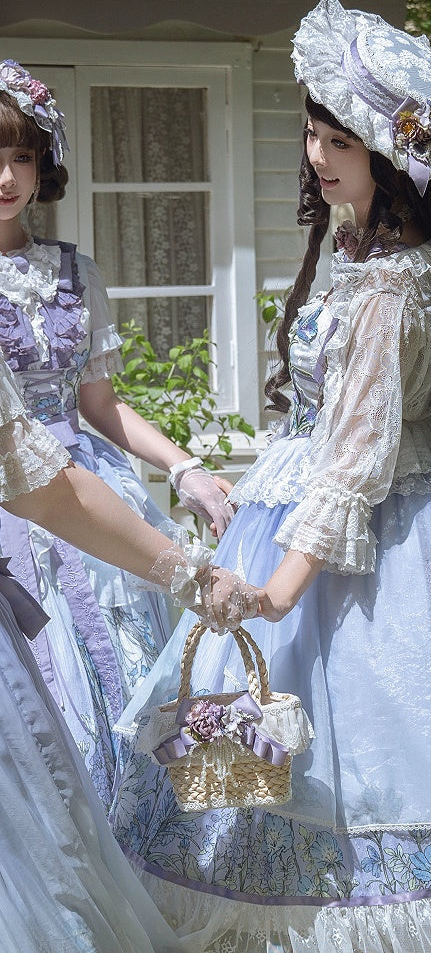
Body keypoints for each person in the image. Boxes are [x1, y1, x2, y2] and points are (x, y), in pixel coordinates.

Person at [110, 0, 431, 953]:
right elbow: (325, 432)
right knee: (262, 742)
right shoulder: (353, 253)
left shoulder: (396, 280)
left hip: (380, 541)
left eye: (339, 142)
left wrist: (278, 590)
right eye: (314, 135)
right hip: (301, 510)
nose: (317, 156)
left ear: (388, 158)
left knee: (383, 747)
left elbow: (356, 462)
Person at [0, 58, 234, 804]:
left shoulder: (76, 273)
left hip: (92, 489)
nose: (6, 177)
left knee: (126, 668)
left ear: (43, 166)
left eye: (22, 156)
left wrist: (186, 468)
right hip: (13, 496)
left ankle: (134, 834)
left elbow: (100, 406)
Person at [0, 340, 257, 952]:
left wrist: (184, 477)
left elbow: (63, 470)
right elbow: (47, 493)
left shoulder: (76, 289)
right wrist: (194, 577)